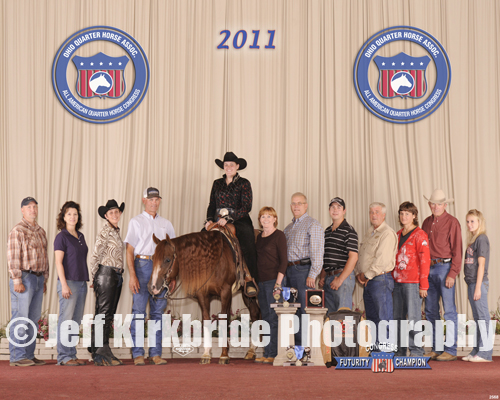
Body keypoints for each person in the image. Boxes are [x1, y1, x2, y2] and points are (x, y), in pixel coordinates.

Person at [124, 187, 175, 366]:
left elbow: (173, 252)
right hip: (142, 265)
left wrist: (173, 276)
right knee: (139, 311)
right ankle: (138, 353)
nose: (154, 202)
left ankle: (155, 353)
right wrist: (133, 275)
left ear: (159, 201)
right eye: (151, 199)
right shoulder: (136, 222)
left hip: (161, 268)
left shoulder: (166, 224)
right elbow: (129, 250)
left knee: (157, 312)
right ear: (144, 200)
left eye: (156, 199)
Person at [204, 152, 258, 295]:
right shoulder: (217, 183)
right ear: (223, 166)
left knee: (248, 241)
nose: (228, 167)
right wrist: (209, 219)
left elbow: (246, 207)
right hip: (217, 219)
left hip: (239, 219)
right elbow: (212, 204)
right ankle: (202, 277)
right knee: (202, 238)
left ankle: (250, 278)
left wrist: (229, 218)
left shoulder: (244, 183)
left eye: (231, 165)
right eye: (226, 165)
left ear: (237, 166)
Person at [7, 197, 49, 367]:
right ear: (22, 210)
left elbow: (45, 257)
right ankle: (17, 356)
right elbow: (13, 257)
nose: (33, 210)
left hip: (38, 278)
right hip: (24, 277)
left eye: (35, 207)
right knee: (21, 317)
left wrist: (44, 279)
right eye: (29, 207)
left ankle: (29, 355)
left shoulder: (41, 231)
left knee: (33, 319)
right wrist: (17, 279)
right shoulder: (18, 230)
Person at [422, 189, 462, 361]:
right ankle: (437, 348)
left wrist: (453, 273)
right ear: (429, 204)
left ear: (445, 205)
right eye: (433, 203)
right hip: (428, 269)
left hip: (445, 268)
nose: (436, 206)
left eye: (439, 204)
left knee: (449, 310)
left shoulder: (453, 222)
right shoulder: (426, 222)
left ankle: (451, 350)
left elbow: (457, 250)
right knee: (431, 310)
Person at [283, 192, 324, 346]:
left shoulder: (312, 224)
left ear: (306, 206)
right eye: (293, 203)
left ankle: (308, 348)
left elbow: (317, 251)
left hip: (303, 271)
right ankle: (296, 347)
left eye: (299, 203)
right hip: (289, 271)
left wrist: (313, 274)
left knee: (305, 311)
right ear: (290, 206)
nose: (296, 206)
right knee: (291, 311)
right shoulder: (288, 228)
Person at [356, 202, 397, 352]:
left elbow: (382, 260)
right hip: (369, 281)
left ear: (384, 215)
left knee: (383, 318)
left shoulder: (387, 233)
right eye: (371, 212)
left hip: (380, 279)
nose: (374, 215)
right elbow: (363, 256)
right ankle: (376, 351)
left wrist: (366, 275)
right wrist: (359, 273)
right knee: (372, 319)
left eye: (377, 212)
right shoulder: (370, 233)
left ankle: (386, 352)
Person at [89, 199, 126, 366]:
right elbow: (96, 255)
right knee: (104, 313)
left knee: (107, 313)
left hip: (115, 275)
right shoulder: (105, 231)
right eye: (111, 212)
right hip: (106, 274)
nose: (114, 214)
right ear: (106, 216)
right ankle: (101, 350)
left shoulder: (115, 231)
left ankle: (99, 349)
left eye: (116, 211)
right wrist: (94, 276)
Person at [392, 202, 430, 357]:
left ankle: (416, 351)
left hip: (413, 283)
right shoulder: (397, 234)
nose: (404, 216)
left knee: (413, 318)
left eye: (407, 214)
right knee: (398, 318)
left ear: (414, 216)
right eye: (401, 213)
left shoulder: (420, 235)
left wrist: (424, 285)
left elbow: (425, 260)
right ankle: (400, 351)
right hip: (397, 282)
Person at [54, 201, 89, 366]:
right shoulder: (61, 237)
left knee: (75, 321)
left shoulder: (80, 236)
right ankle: (64, 356)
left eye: (75, 214)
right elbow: (58, 262)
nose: (72, 217)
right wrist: (64, 285)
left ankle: (71, 354)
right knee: (66, 320)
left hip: (81, 283)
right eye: (69, 214)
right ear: (63, 217)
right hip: (68, 282)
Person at [253, 207, 288, 365]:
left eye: (269, 216)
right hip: (261, 283)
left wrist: (278, 283)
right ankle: (267, 352)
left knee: (273, 318)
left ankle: (273, 353)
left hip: (274, 282)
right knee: (265, 318)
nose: (265, 219)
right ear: (259, 220)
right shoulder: (259, 238)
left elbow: (284, 261)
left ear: (275, 219)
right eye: (263, 217)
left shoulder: (279, 235)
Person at [319, 197, 358, 314]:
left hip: (342, 277)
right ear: (329, 210)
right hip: (329, 278)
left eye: (339, 207)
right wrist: (322, 277)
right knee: (330, 318)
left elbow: (353, 257)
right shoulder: (327, 231)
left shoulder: (349, 230)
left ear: (344, 211)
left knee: (342, 317)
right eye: (333, 207)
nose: (335, 210)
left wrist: (340, 279)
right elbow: (326, 257)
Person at [462, 209, 492, 362]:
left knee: (483, 318)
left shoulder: (482, 239)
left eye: (472, 221)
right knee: (477, 318)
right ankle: (477, 350)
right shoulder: (473, 240)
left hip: (478, 283)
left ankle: (485, 353)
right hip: (472, 283)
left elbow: (481, 265)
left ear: (479, 222)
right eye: (467, 221)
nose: (469, 224)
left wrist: (478, 287)